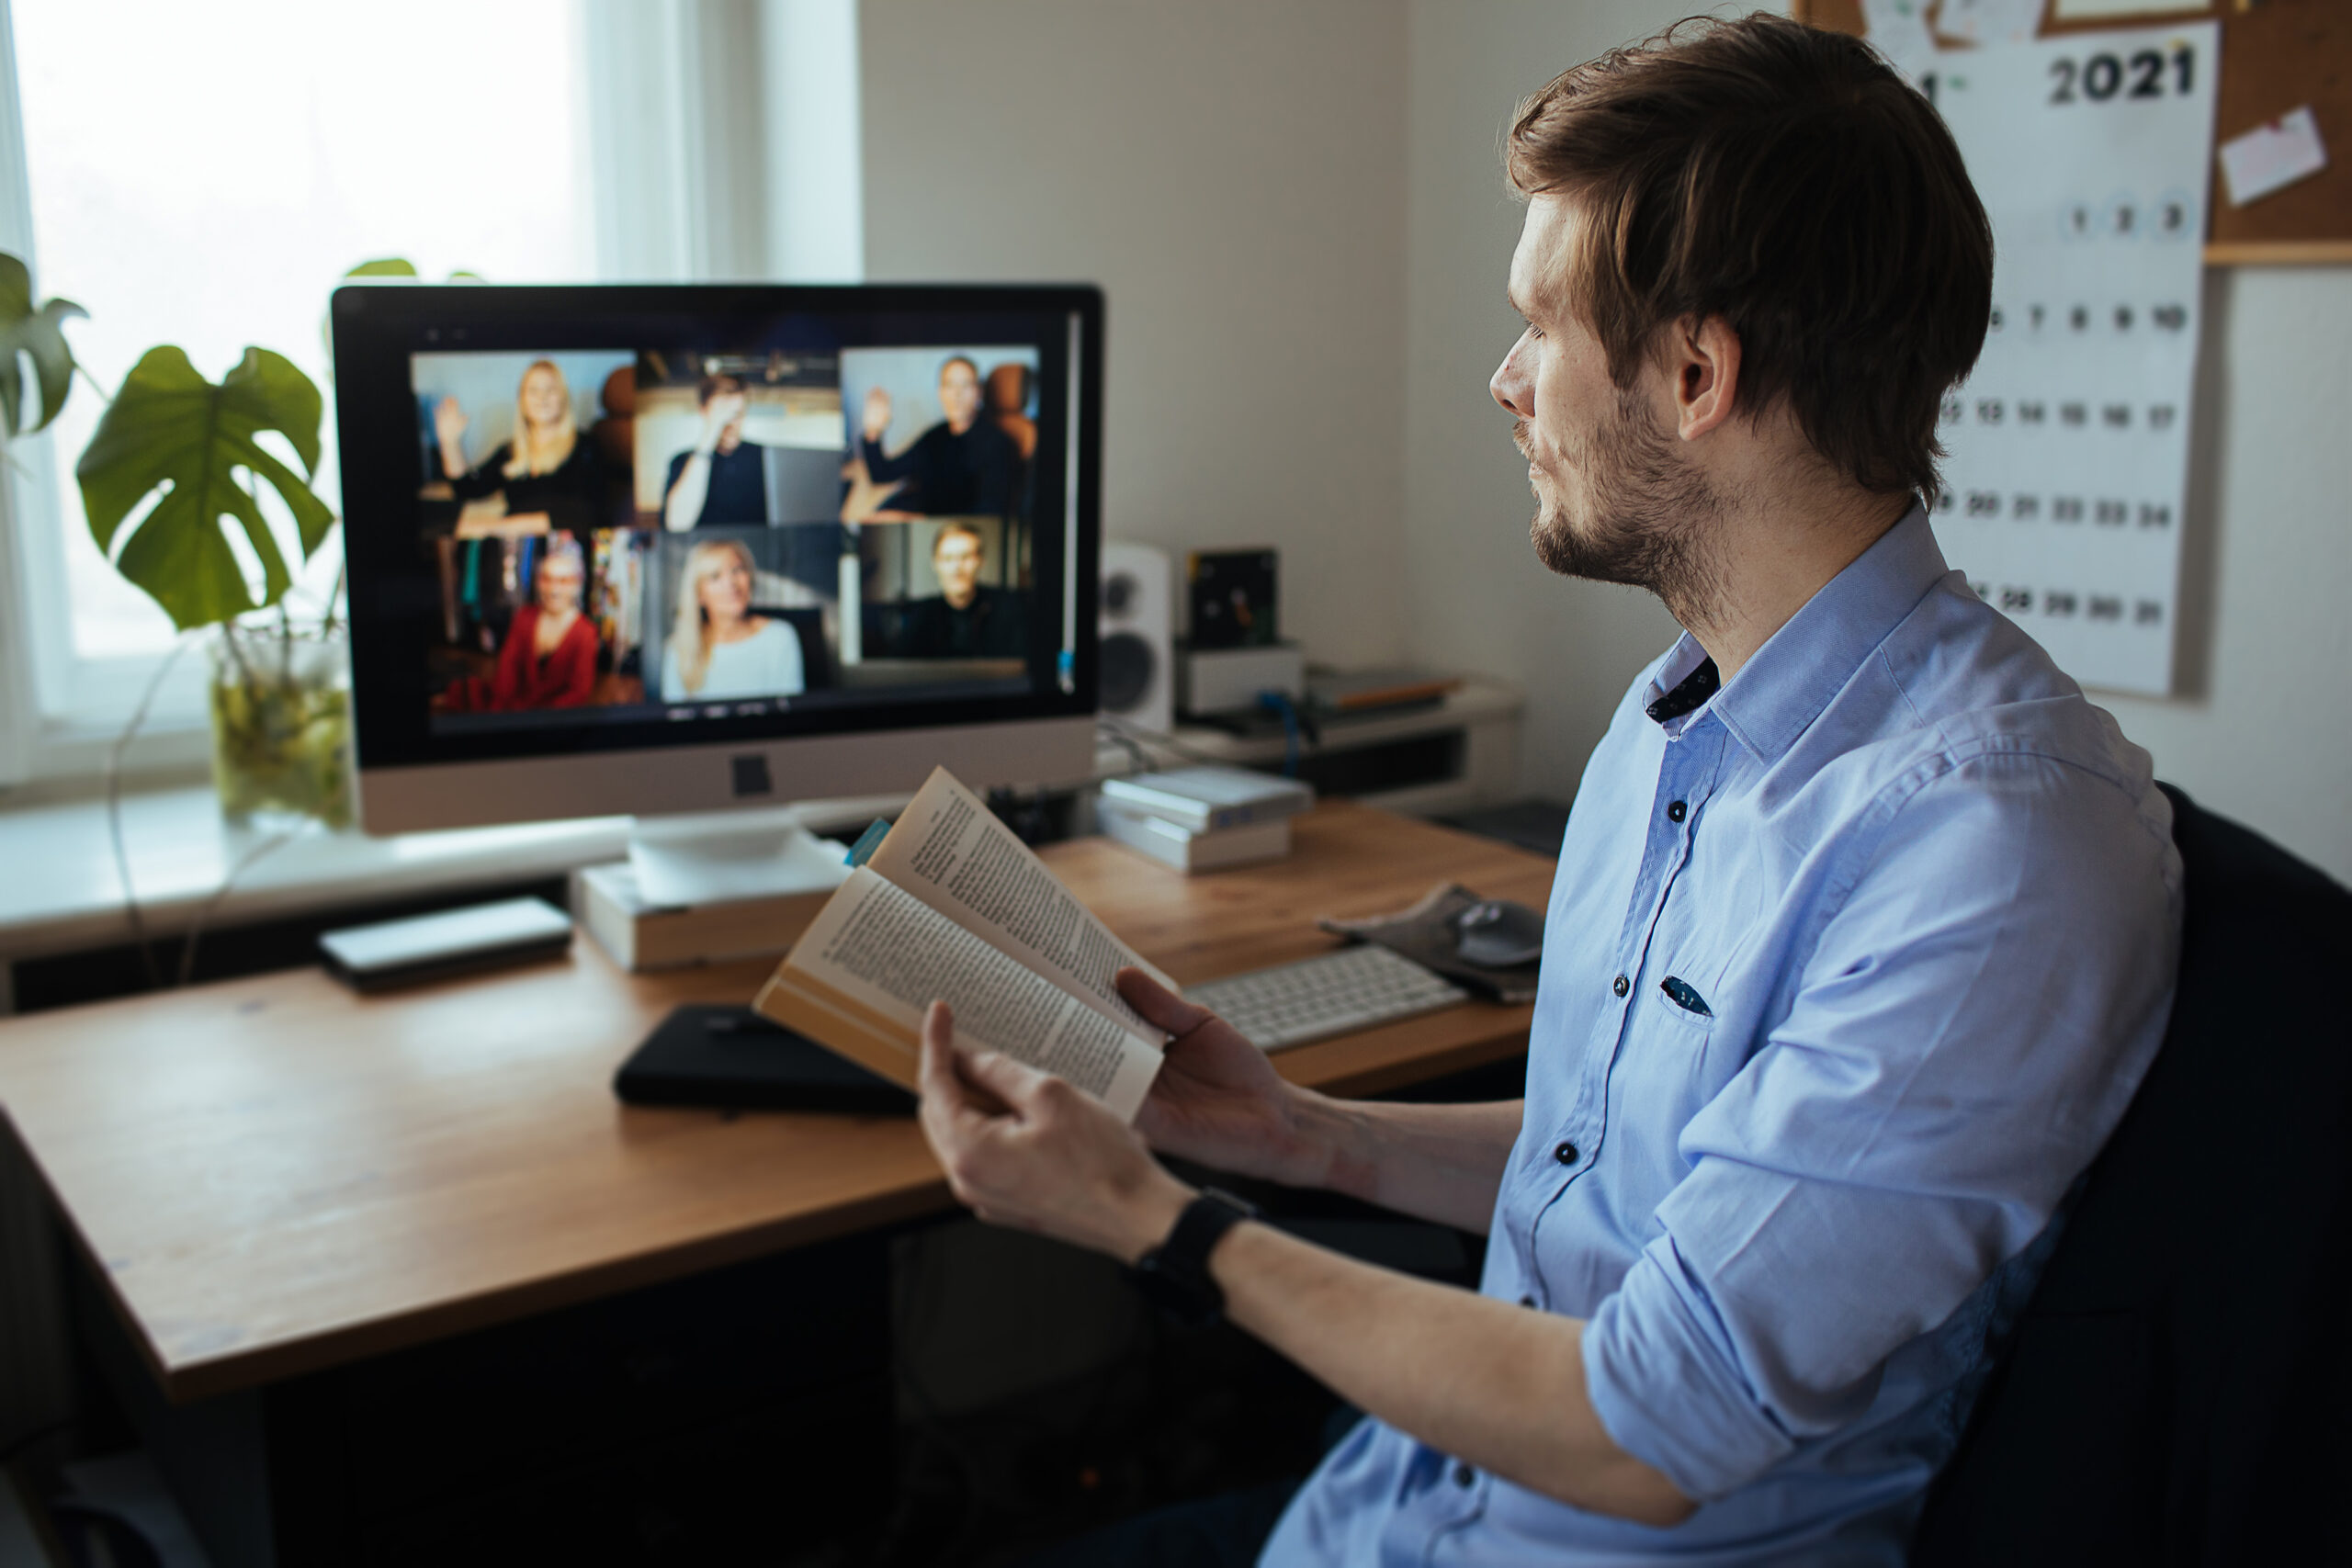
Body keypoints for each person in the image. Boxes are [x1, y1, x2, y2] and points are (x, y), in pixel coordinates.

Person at [910, 15, 2182, 1566]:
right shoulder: (1674, 721)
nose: (1504, 381)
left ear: (1699, 370)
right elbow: (1635, 1160)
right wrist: (1307, 1134)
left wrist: (1157, 1221)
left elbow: (1657, 1426)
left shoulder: (1996, 846)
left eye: (1541, 326)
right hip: (1407, 1502)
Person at [435, 360, 605, 535]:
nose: (542, 397)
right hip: (514, 547)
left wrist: (498, 526)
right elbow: (467, 489)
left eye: (551, 389)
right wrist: (449, 444)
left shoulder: (585, 447)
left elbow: (587, 513)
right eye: (533, 391)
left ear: (563, 398)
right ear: (521, 400)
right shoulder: (510, 451)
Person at [845, 355, 1020, 521]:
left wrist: (916, 520)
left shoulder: (998, 444)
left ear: (979, 393)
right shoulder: (935, 436)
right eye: (949, 385)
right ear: (940, 393)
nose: (956, 394)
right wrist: (873, 431)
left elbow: (989, 514)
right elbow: (882, 474)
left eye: (965, 385)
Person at [661, 537, 804, 702]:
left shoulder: (780, 637)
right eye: (715, 576)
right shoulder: (678, 648)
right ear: (699, 594)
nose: (731, 584)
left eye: (737, 570)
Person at [898, 521, 1027, 659]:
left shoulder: (1009, 609)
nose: (957, 568)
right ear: (935, 563)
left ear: (980, 560)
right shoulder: (920, 616)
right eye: (948, 558)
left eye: (965, 557)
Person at [662, 375, 768, 530]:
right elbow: (677, 525)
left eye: (737, 414)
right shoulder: (681, 461)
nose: (730, 423)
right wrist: (710, 435)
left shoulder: (765, 457)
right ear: (703, 411)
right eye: (722, 414)